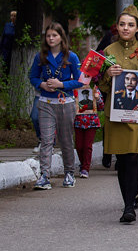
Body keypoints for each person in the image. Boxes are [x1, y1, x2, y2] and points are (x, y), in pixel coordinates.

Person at [100, 8, 138, 222]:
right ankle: (127, 200)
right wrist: (108, 75)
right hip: (115, 114)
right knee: (122, 160)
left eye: (130, 25)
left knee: (134, 157)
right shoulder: (108, 50)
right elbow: (100, 85)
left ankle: (129, 208)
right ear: (117, 27)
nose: (126, 28)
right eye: (122, 24)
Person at [29, 22, 81, 190]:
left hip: (65, 103)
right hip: (46, 103)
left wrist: (62, 84)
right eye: (48, 36)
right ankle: (44, 175)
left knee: (66, 140)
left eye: (54, 35)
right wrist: (42, 85)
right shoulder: (41, 56)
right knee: (46, 140)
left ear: (61, 37)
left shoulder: (71, 56)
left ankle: (69, 173)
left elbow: (80, 81)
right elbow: (33, 77)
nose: (51, 38)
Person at [73, 86, 102, 179]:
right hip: (78, 122)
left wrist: (98, 99)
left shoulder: (95, 89)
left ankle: (85, 168)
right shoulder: (75, 89)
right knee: (79, 146)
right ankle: (82, 164)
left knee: (87, 146)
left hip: (91, 122)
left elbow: (101, 106)